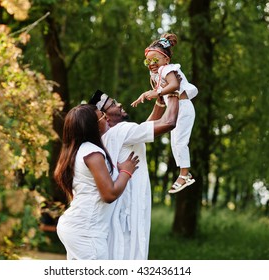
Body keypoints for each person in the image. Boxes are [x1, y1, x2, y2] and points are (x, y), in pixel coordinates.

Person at [88, 88, 179, 259]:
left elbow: (143, 131)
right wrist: (173, 93)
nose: (119, 104)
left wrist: (159, 103)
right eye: (113, 104)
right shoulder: (122, 131)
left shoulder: (110, 136)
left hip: (121, 212)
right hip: (128, 215)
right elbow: (169, 122)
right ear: (105, 116)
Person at [53, 104, 139, 260]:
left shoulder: (78, 150)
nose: (106, 118)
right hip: (86, 232)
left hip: (76, 227)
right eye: (102, 116)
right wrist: (126, 171)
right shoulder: (93, 153)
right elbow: (109, 194)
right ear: (92, 126)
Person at [131, 33, 198, 194]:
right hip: (175, 109)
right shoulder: (155, 75)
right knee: (175, 142)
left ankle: (185, 174)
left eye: (155, 60)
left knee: (180, 142)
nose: (151, 64)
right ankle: (184, 173)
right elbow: (157, 93)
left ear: (166, 59)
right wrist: (145, 94)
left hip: (183, 107)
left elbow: (174, 85)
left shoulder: (168, 69)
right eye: (148, 61)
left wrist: (158, 91)